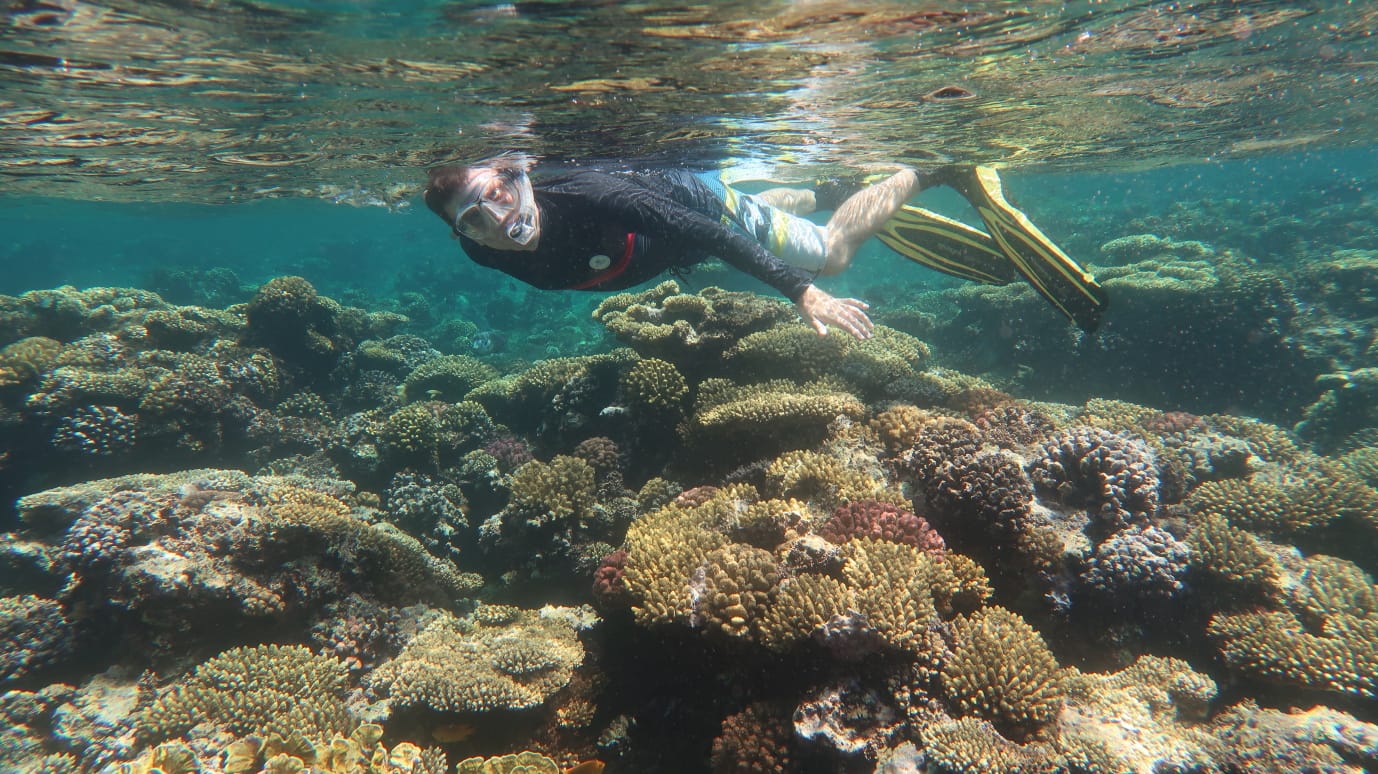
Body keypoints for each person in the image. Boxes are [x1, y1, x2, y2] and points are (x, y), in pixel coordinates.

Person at [422, 156, 1108, 340]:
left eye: (499, 194)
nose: (498, 221)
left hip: (699, 212)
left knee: (831, 253)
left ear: (518, 175)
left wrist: (803, 290)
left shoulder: (594, 195)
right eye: (475, 220)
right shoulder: (482, 250)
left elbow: (709, 233)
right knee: (765, 217)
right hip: (673, 250)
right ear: (462, 236)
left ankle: (931, 170)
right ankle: (828, 189)